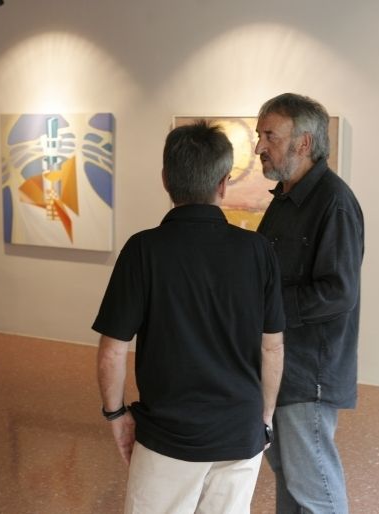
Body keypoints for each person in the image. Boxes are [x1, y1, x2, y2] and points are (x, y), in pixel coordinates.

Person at [93, 120, 286, 514]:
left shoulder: (143, 250)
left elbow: (113, 350)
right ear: (223, 183)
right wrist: (264, 417)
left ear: (166, 179)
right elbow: (272, 347)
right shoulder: (257, 251)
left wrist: (115, 413)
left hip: (168, 437)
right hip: (239, 433)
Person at [254, 93, 364, 514]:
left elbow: (339, 292)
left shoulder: (334, 202)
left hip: (308, 373)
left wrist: (267, 308)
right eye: (260, 135)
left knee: (316, 488)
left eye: (270, 136)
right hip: (282, 366)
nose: (260, 146)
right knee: (291, 476)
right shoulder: (285, 198)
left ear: (303, 143)